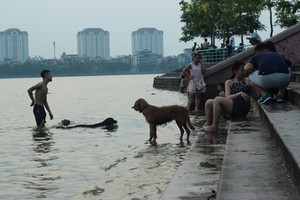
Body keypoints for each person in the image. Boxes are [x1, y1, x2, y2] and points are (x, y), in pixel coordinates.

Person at [201, 61, 251, 132]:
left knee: (217, 99)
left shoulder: (247, 80)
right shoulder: (229, 82)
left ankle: (215, 126)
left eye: (244, 70)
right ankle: (209, 125)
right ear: (235, 71)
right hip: (232, 104)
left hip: (242, 107)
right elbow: (228, 97)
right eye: (242, 70)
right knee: (208, 102)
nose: (244, 72)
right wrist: (239, 93)